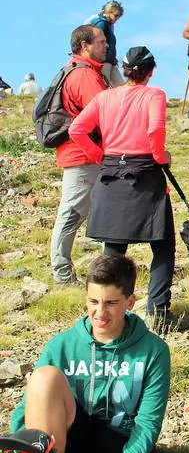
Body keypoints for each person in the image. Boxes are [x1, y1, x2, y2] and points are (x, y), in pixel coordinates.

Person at [12, 253, 186, 453]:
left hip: (122, 443)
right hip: (69, 445)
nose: (99, 313)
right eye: (93, 302)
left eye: (111, 303)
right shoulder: (63, 345)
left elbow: (147, 425)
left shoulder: (154, 351)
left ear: (130, 302)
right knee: (44, 377)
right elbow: (28, 408)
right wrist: (22, 439)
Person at [69, 46, 178, 331]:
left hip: (111, 174)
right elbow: (154, 130)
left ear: (127, 71)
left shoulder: (105, 97)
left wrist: (99, 156)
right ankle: (159, 313)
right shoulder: (154, 95)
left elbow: (76, 129)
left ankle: (104, 311)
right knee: (163, 244)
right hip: (143, 173)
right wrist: (159, 156)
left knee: (114, 249)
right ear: (150, 72)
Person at [50, 25, 108, 285]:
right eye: (101, 41)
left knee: (86, 211)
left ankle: (105, 270)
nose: (106, 45)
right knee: (71, 213)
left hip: (80, 154)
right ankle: (62, 276)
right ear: (85, 45)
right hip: (83, 156)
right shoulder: (84, 76)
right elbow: (105, 114)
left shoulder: (76, 71)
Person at [87, 1, 125, 87]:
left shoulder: (108, 25)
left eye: (118, 16)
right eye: (115, 15)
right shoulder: (101, 24)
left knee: (121, 88)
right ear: (109, 12)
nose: (116, 18)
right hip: (103, 62)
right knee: (105, 87)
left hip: (110, 61)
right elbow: (96, 41)